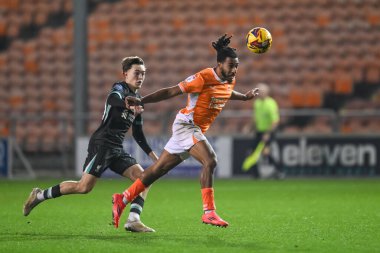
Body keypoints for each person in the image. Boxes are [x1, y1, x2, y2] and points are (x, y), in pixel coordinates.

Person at [111, 34, 259, 229]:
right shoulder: (203, 77)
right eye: (231, 65)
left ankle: (122, 198)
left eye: (237, 66)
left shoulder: (229, 79)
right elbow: (172, 91)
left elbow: (226, 92)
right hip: (186, 125)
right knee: (210, 160)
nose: (235, 69)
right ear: (220, 64)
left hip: (193, 129)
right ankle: (209, 212)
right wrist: (142, 100)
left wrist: (244, 97)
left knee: (157, 171)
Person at [23, 56, 158, 232]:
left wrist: (153, 155)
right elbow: (112, 99)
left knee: (144, 178)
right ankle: (39, 196)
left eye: (143, 74)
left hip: (116, 147)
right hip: (102, 144)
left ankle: (133, 219)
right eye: (137, 73)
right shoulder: (120, 88)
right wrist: (127, 104)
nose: (140, 77)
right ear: (125, 74)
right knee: (83, 187)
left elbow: (138, 134)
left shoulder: (138, 100)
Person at [242, 83, 283, 179]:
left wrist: (268, 133)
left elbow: (275, 121)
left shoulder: (271, 103)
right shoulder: (257, 103)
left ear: (267, 92)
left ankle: (280, 171)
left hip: (269, 131)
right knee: (252, 152)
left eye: (261, 92)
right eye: (258, 92)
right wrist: (249, 127)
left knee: (266, 152)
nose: (259, 94)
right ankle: (256, 175)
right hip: (259, 132)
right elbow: (255, 118)